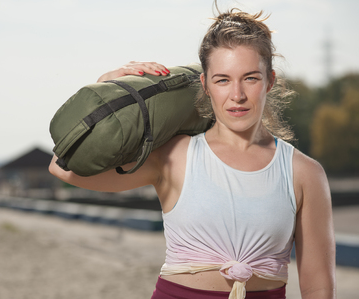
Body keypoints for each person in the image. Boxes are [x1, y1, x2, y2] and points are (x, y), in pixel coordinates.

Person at [49, 5, 336, 299]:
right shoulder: (173, 157)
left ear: (270, 81)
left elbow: (318, 286)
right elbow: (62, 167)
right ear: (206, 85)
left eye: (250, 78)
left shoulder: (304, 173)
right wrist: (110, 91)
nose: (237, 94)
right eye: (222, 80)